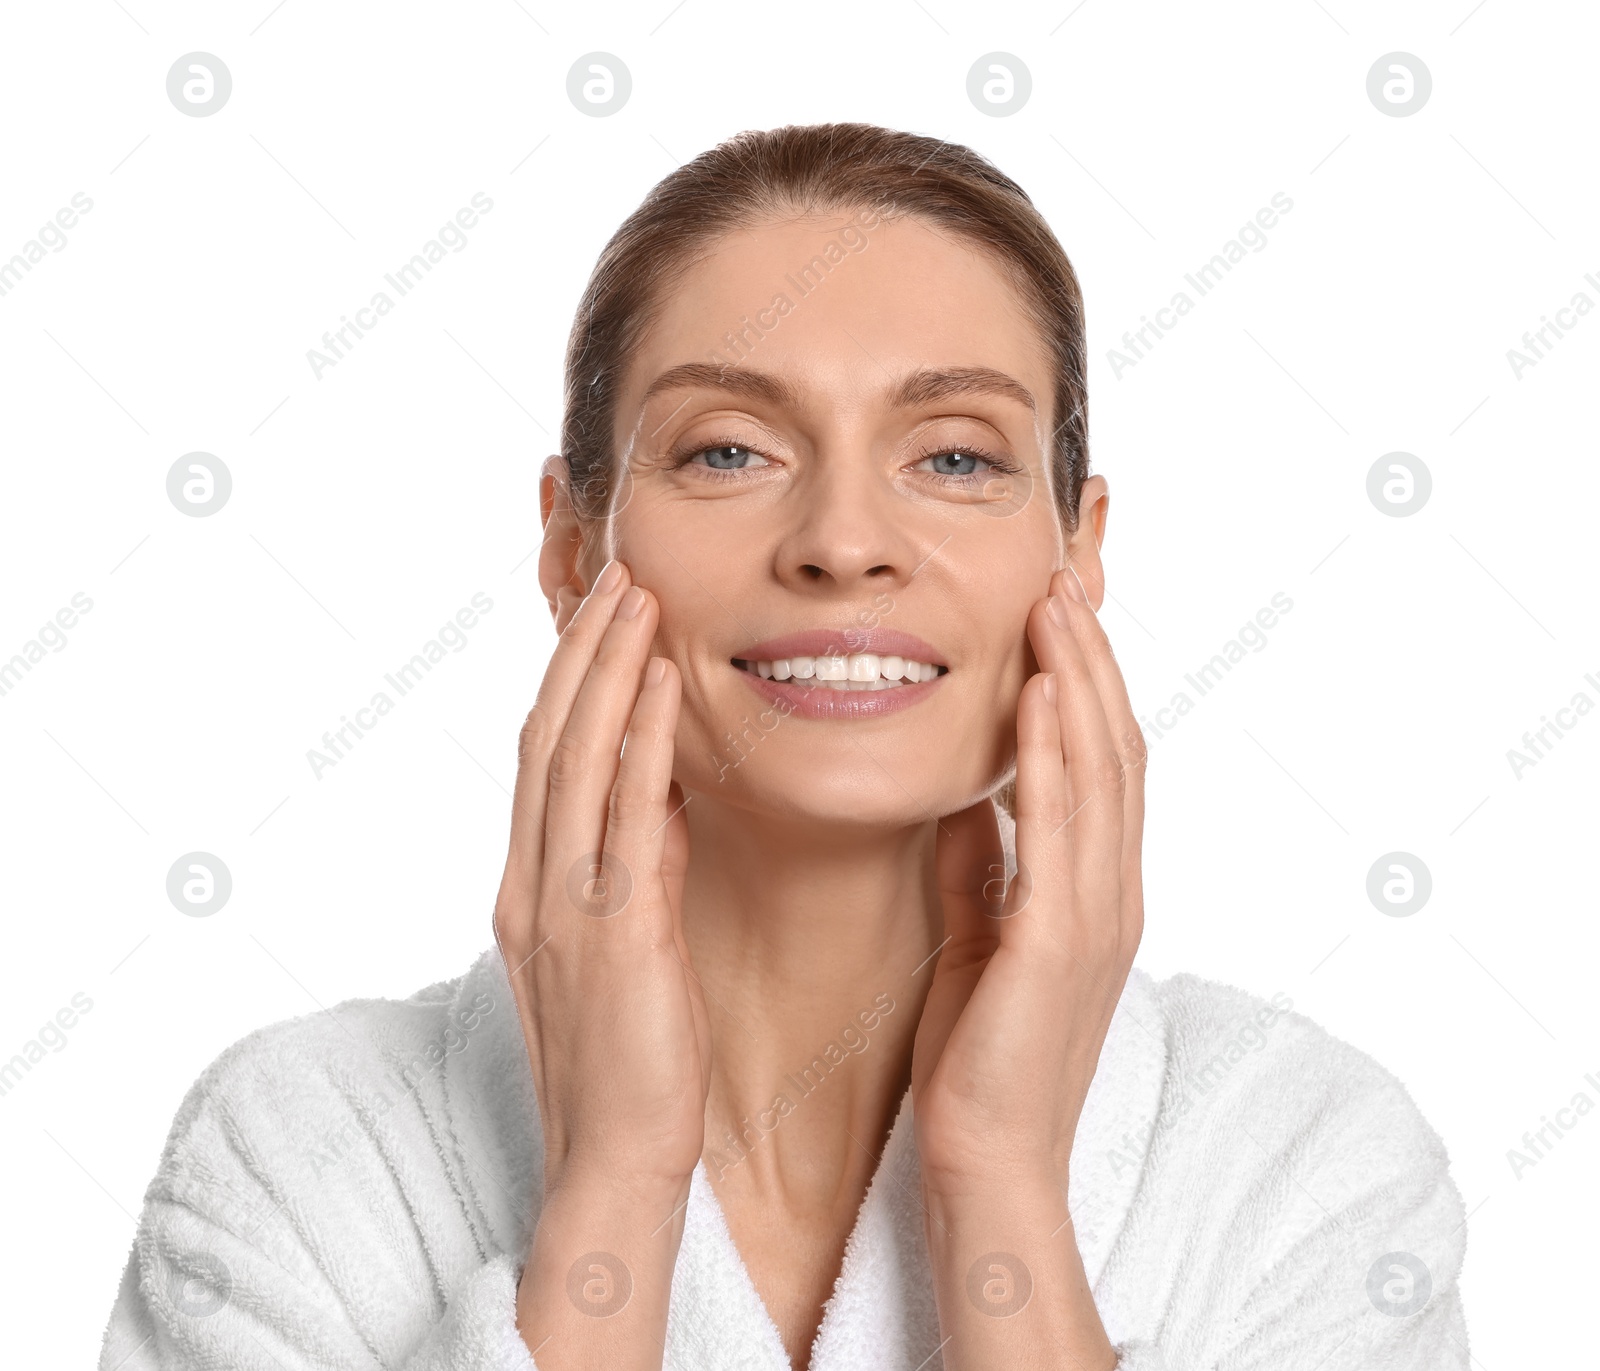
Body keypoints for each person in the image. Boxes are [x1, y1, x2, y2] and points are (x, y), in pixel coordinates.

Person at [98, 122, 1470, 1371]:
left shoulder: (1302, 1163)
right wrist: (613, 1196)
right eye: (729, 452)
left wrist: (999, 1192)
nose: (844, 542)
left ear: (1082, 551)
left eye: (955, 458)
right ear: (575, 552)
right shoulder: (302, 1156)